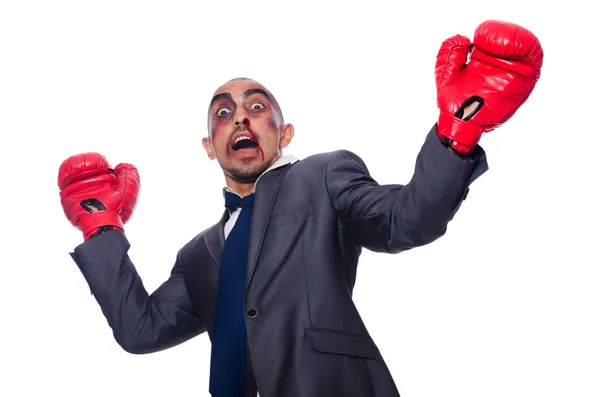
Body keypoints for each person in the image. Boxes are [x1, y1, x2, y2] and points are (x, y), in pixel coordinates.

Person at [57, 20, 543, 397]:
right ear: (210, 146)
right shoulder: (197, 255)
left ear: (284, 135)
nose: (240, 117)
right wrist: (100, 227)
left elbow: (407, 219)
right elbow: (141, 330)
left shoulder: (323, 177)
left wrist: (456, 131)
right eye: (223, 113)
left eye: (257, 107)